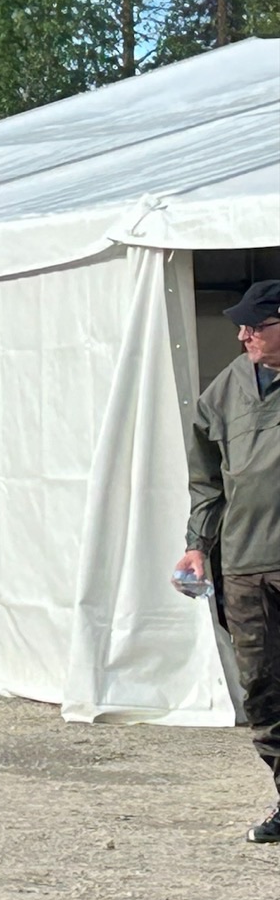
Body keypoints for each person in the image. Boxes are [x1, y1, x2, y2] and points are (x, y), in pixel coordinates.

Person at [182, 279, 280, 844]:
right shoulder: (227, 389)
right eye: (241, 326)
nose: (243, 336)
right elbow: (206, 479)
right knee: (264, 690)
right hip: (245, 564)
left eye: (255, 326)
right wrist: (197, 544)